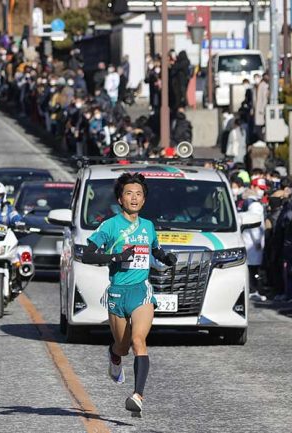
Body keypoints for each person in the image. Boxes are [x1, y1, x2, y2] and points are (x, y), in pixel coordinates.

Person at [80, 173, 177, 415]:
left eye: (139, 194)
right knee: (122, 346)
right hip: (117, 293)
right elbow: (88, 254)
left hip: (141, 291)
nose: (134, 198)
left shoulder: (148, 226)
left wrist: (166, 257)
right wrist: (116, 257)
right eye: (128, 193)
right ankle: (114, 355)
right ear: (120, 199)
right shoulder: (110, 226)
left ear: (144, 200)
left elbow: (155, 249)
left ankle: (138, 396)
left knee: (138, 341)